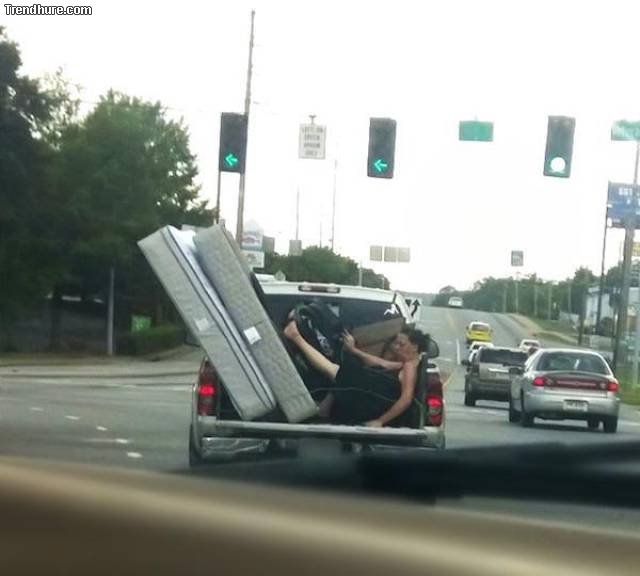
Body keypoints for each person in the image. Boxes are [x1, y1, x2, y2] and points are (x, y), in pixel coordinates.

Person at [284, 320, 429, 427]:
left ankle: (295, 337)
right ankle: (324, 409)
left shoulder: (410, 367)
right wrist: (354, 350)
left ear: (415, 347)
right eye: (395, 343)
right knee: (343, 367)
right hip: (368, 395)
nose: (396, 347)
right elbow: (380, 362)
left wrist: (380, 421)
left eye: (401, 344)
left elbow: (406, 399)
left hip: (372, 403)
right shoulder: (407, 363)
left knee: (342, 369)